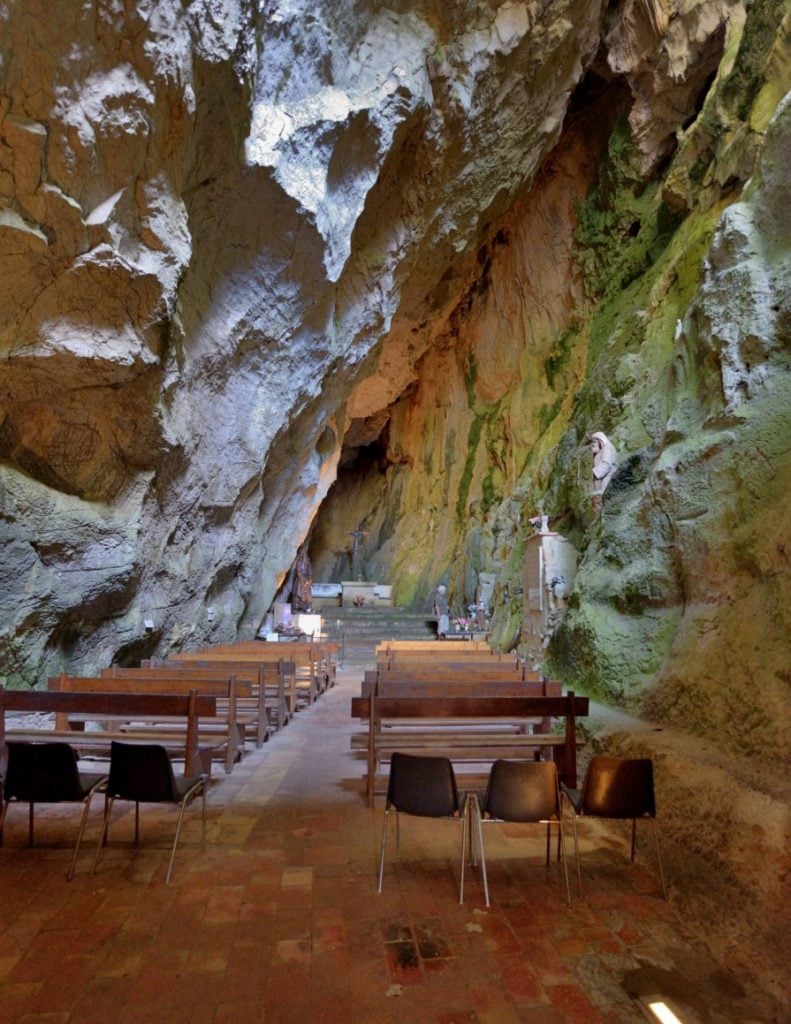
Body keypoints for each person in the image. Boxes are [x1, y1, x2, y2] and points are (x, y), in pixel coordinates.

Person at [590, 431, 617, 514]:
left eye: (594, 442)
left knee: (602, 499)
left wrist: (594, 473)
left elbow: (606, 464)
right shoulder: (602, 450)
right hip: (602, 479)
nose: (593, 444)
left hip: (607, 478)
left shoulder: (607, 448)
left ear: (600, 441)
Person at [292, 545, 313, 612]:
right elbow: (298, 571)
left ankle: (306, 607)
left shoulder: (308, 563)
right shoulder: (299, 562)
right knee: (298, 593)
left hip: (306, 580)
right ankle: (297, 607)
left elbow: (310, 571)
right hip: (300, 581)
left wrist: (309, 578)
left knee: (307, 594)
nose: (303, 555)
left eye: (304, 553)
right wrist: (303, 579)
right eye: (302, 553)